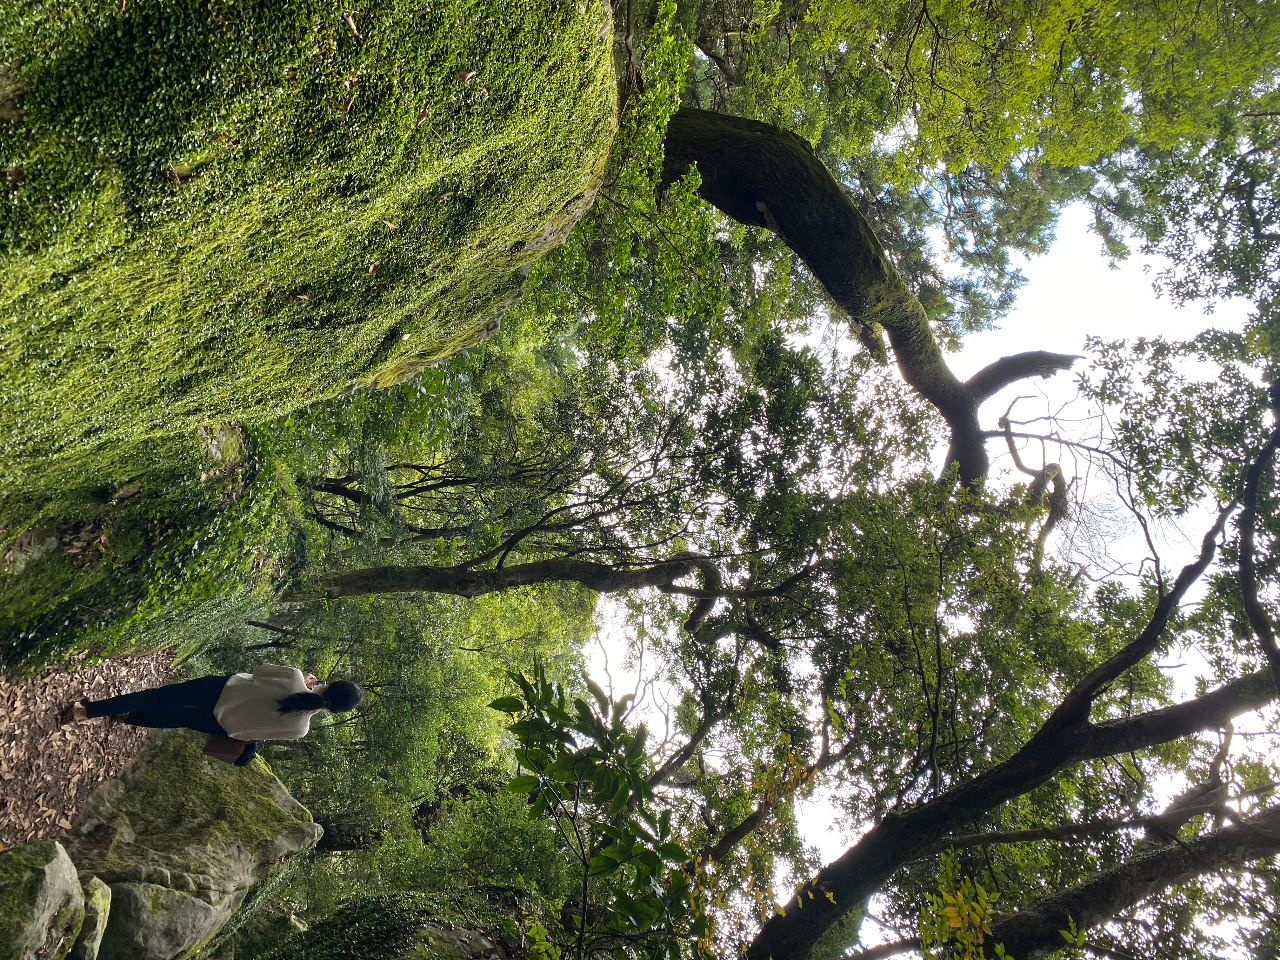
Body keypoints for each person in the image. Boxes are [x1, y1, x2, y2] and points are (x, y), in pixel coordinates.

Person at [60, 665, 363, 765]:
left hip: (219, 690)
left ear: (331, 684)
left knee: (157, 698)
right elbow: (259, 732)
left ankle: (87, 711)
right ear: (334, 710)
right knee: (174, 719)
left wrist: (306, 681)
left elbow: (259, 671)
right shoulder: (301, 730)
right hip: (221, 723)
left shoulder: (295, 677)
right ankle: (126, 717)